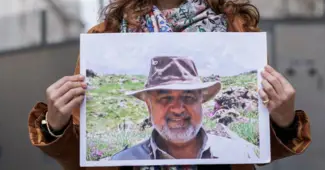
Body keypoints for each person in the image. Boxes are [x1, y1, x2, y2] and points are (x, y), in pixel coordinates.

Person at [27, 0, 311, 170]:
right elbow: (85, 160)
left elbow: (253, 153)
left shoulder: (238, 33)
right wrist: (55, 125)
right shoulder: (106, 38)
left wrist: (283, 121)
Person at [110, 56, 259, 161]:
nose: (178, 109)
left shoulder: (241, 153)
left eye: (188, 97)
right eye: (165, 98)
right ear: (149, 106)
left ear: (201, 101)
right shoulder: (122, 161)